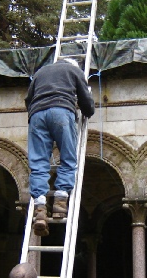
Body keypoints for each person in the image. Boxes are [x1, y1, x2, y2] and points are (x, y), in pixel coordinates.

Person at [25, 58, 95, 236]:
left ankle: (40, 207)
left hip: (37, 116)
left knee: (39, 162)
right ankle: (60, 202)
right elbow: (87, 103)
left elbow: (28, 100)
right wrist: (84, 109)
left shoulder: (40, 73)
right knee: (68, 157)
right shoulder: (74, 71)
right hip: (62, 112)